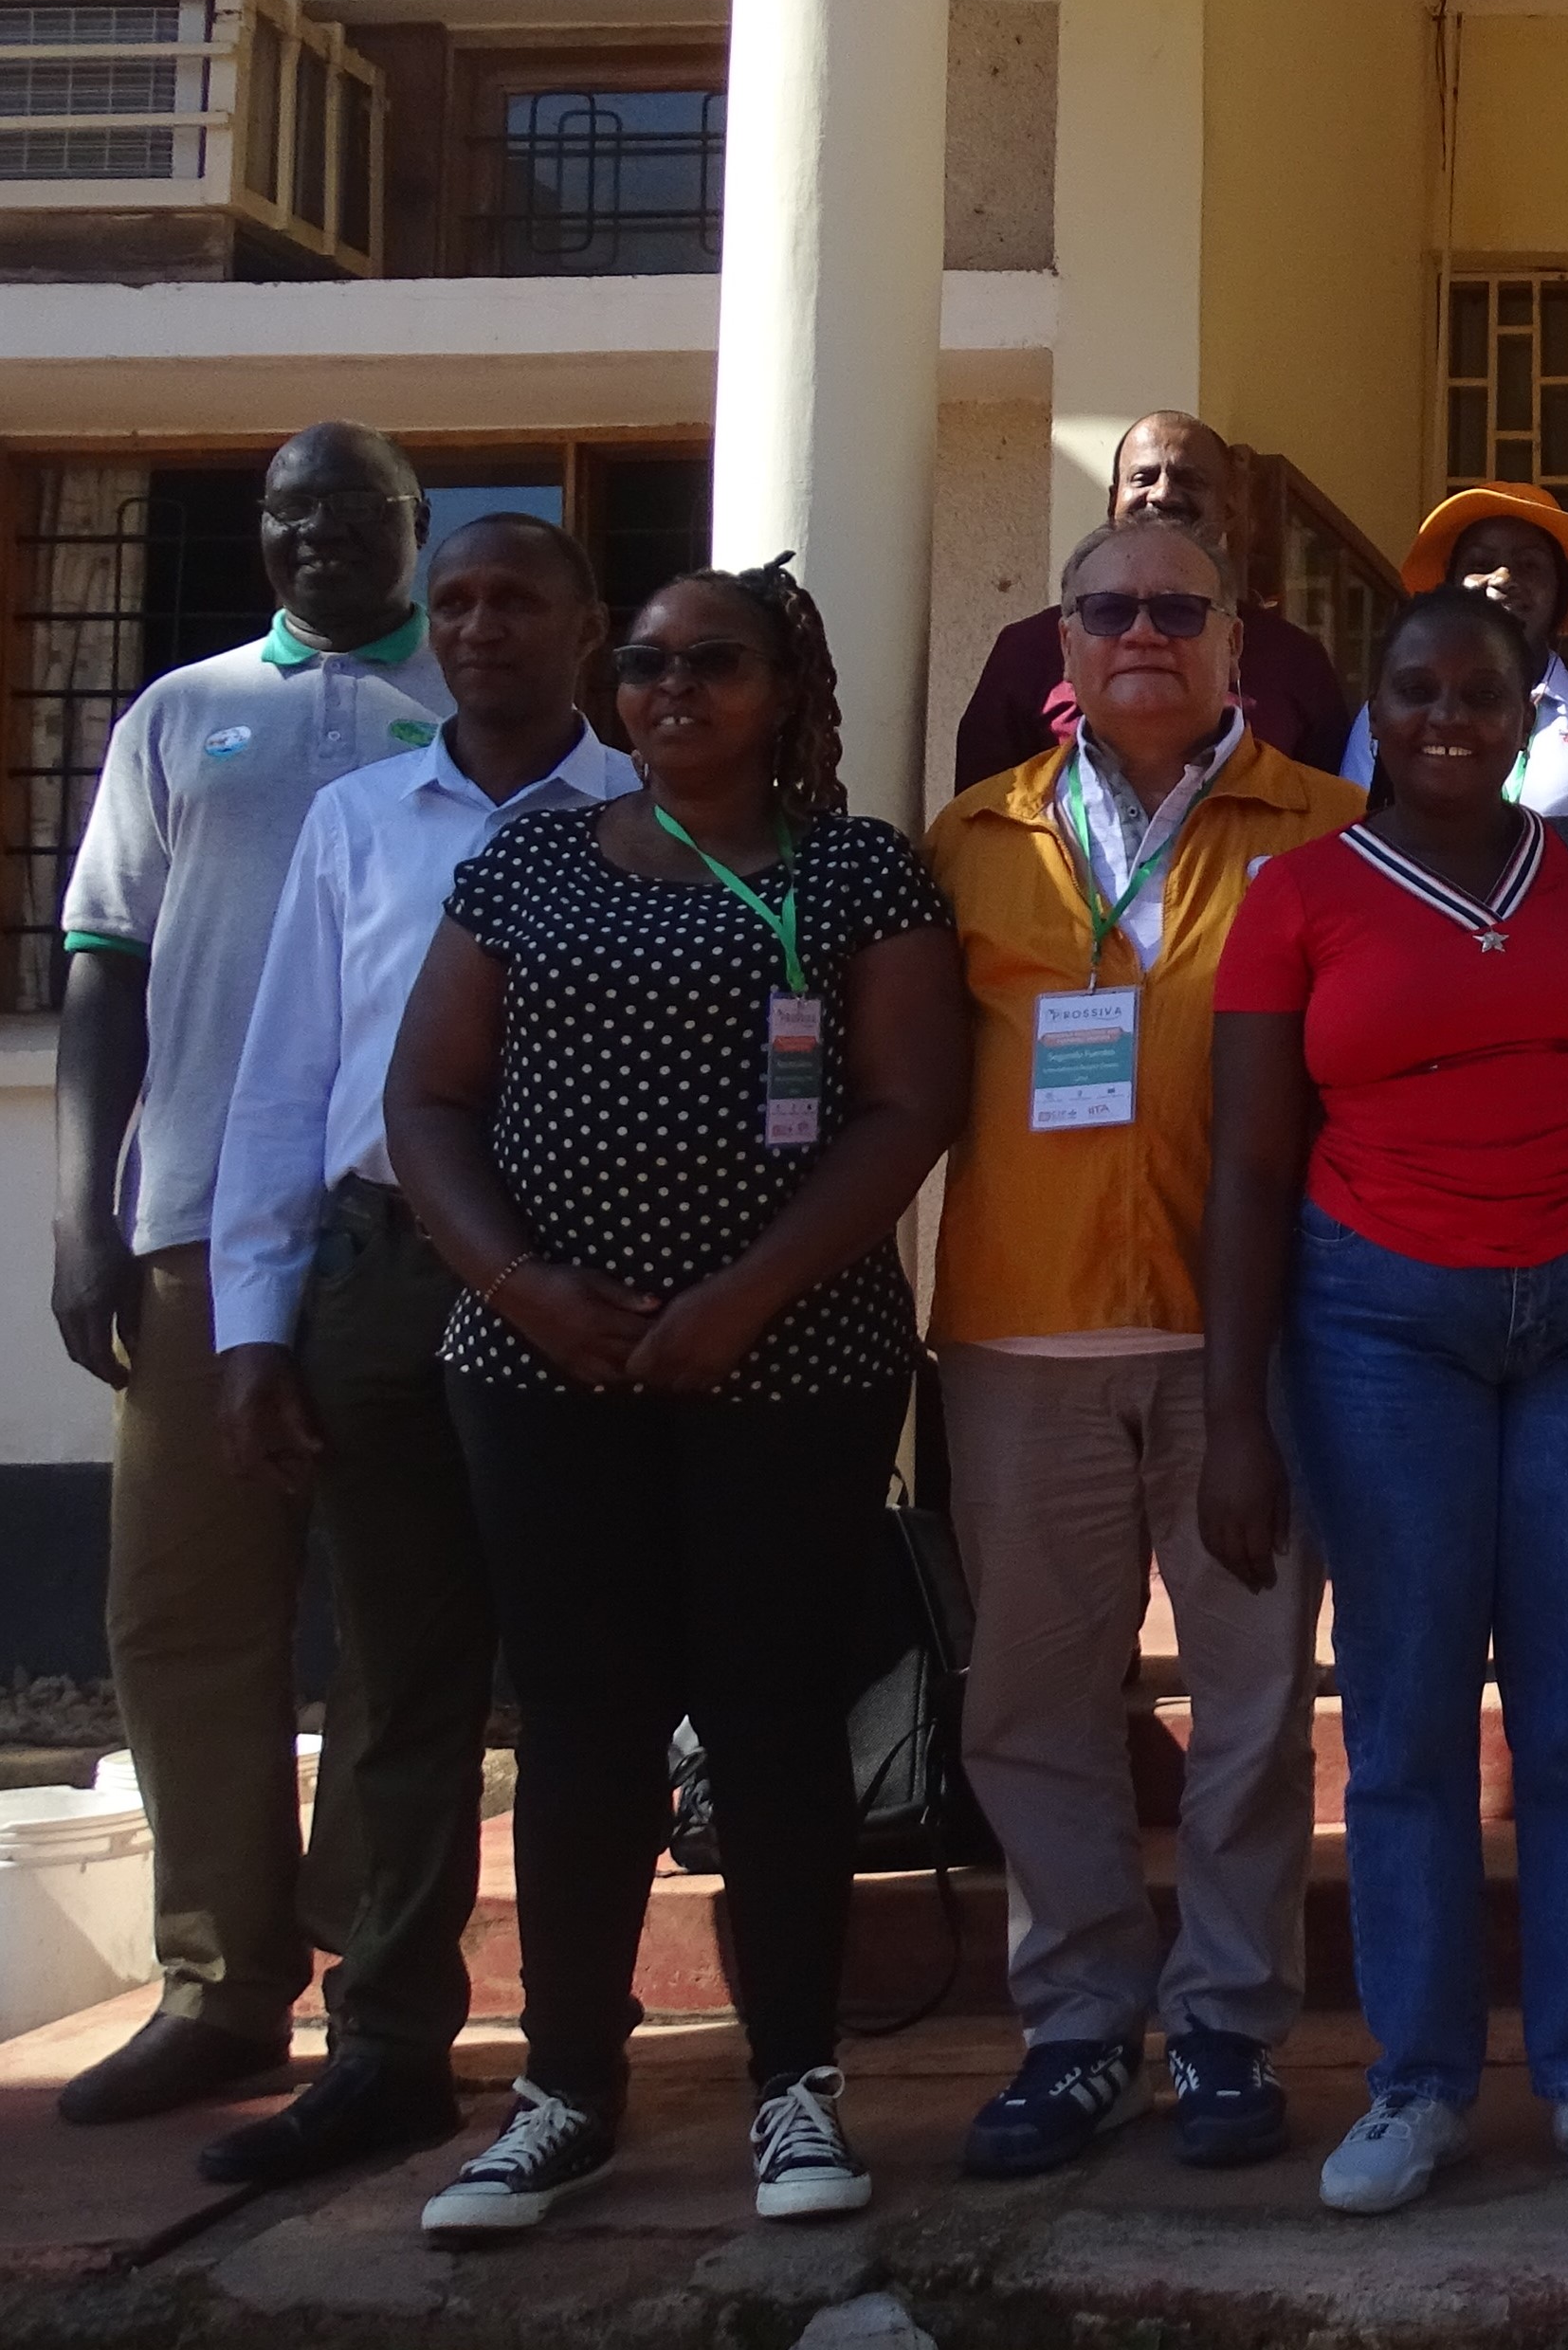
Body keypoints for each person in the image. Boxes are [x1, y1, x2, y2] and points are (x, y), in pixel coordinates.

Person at [385, 559, 969, 2237]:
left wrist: (742, 1296)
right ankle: (566, 2085)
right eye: (642, 662)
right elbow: (427, 1097)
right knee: (581, 1728)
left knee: (776, 1723)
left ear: (782, 686)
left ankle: (795, 2085)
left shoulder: (859, 871)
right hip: (541, 1370)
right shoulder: (528, 864)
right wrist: (526, 1287)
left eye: (712, 660)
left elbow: (909, 1104)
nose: (670, 689)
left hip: (790, 1365)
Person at [1199, 588, 1568, 2218]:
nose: (1447, 716)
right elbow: (1249, 1162)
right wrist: (1234, 1410)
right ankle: (1419, 2077)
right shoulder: (1295, 895)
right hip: (1382, 1328)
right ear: (1376, 705)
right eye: (1417, 688)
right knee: (1411, 1710)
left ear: (1526, 712)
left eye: (1480, 692)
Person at [192, 514, 636, 2187]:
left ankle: (580, 2049)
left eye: (516, 598)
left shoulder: (642, 815)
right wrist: (254, 1323)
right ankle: (389, 2041)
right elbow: (281, 1076)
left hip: (594, 1281)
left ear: (585, 626)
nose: (477, 627)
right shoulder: (360, 821)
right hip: (385, 1278)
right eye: (452, 601)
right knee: (399, 1676)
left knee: (596, 1662)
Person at [925, 517, 1359, 2180]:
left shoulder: (1330, 831)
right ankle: (1080, 2021)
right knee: (1033, 1697)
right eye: (1109, 607)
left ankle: (1234, 2024)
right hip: (1019, 1331)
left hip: (1242, 1340)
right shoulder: (970, 842)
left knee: (1252, 1695)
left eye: (1180, 609)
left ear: (1239, 642)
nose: (1144, 633)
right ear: (1063, 640)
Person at [48, 422, 448, 2128]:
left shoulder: (477, 711)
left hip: (403, 1233)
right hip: (202, 1221)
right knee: (185, 1613)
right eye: (288, 512)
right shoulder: (179, 712)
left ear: (413, 531)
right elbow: (102, 963)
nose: (317, 537)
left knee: (401, 1620)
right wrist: (85, 1205)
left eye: (354, 510)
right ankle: (217, 1984)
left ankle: (367, 1977)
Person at [954, 413, 1349, 792]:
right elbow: (983, 818)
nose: (1162, 494)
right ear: (1114, 500)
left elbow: (1330, 822)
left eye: (1189, 480)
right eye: (1143, 477)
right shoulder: (1027, 649)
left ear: (1229, 508)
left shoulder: (1297, 660)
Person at [1338, 483, 1568, 825]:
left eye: (1529, 565)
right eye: (1481, 562)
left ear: (1560, 590)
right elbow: (1353, 824)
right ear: (1451, 583)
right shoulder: (1392, 709)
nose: (1502, 578)